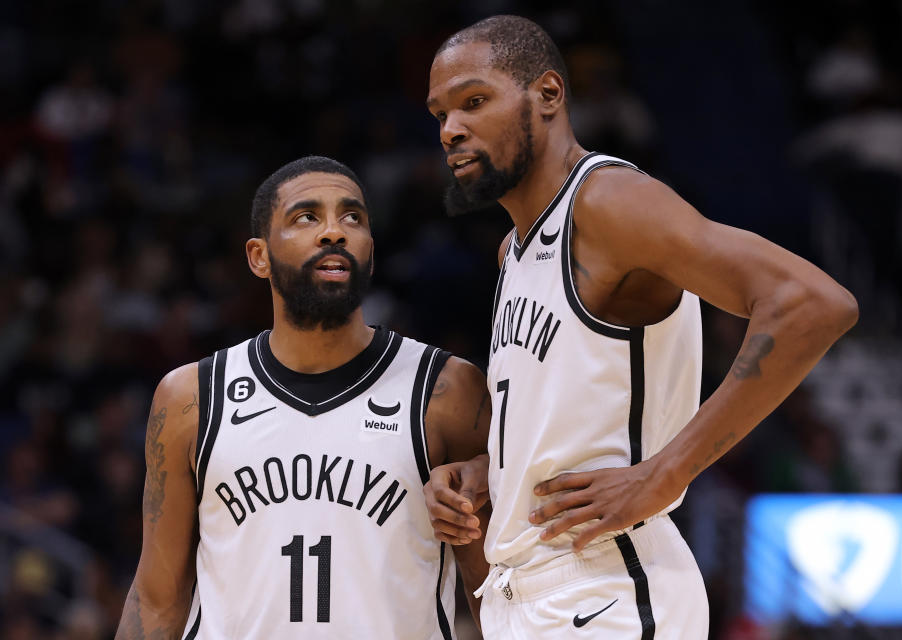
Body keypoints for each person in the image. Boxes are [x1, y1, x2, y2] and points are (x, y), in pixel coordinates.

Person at [423, 15, 858, 639]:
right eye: (439, 114)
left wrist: (667, 472)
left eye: (473, 101)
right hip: (522, 591)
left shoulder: (607, 202)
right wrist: (490, 473)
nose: (451, 129)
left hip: (605, 583)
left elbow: (812, 302)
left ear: (548, 95)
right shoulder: (513, 251)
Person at [115, 156, 491, 639]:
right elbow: (156, 599)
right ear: (259, 256)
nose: (334, 231)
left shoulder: (447, 389)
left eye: (352, 217)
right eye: (306, 217)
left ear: (370, 253)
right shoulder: (192, 397)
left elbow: (492, 588)